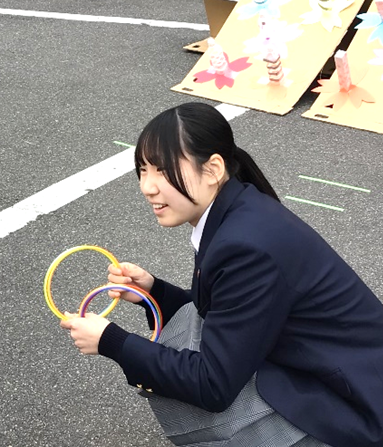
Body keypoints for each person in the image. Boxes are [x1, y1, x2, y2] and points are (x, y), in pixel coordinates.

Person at [60, 102, 383, 447]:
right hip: (336, 371)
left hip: (355, 405)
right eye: (143, 169)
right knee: (187, 331)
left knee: (195, 376)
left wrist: (111, 341)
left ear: (213, 169)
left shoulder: (245, 246)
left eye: (163, 170)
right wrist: (153, 292)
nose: (147, 186)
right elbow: (226, 314)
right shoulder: (238, 210)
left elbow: (212, 386)